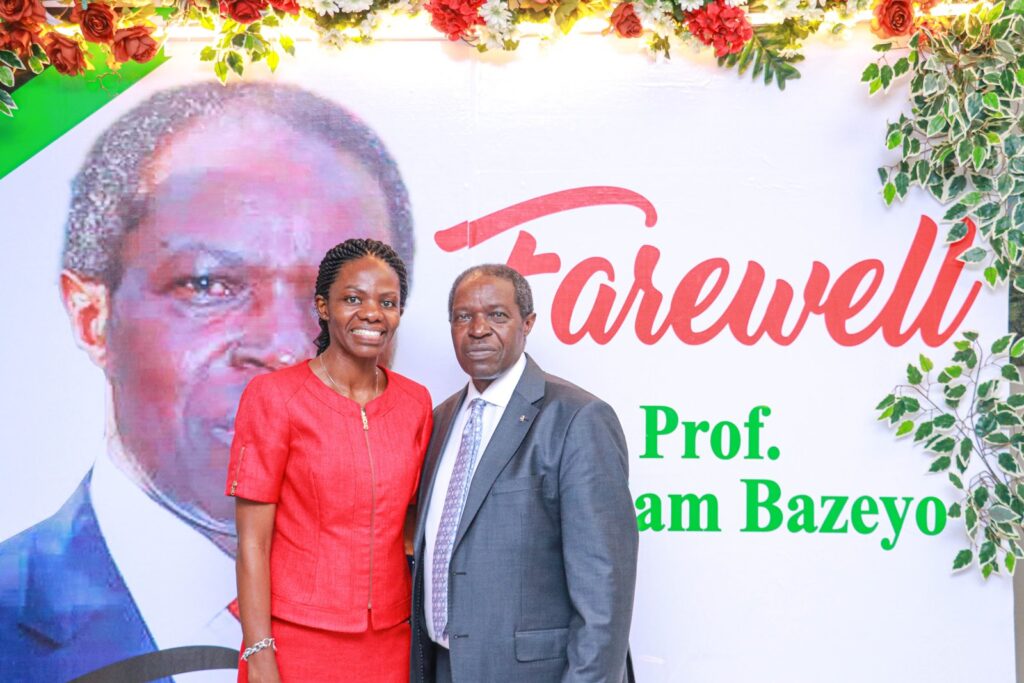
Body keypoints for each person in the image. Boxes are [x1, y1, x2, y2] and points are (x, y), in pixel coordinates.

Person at [0, 82, 416, 682]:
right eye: (208, 285)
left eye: (338, 298)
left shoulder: (426, 621)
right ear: (93, 316)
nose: (282, 347)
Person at [410, 264, 639, 683]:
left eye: (497, 315)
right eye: (463, 316)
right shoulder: (440, 420)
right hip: (444, 668)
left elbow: (605, 593)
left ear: (527, 323)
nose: (478, 329)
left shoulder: (577, 419)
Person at [230, 238, 431, 683]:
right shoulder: (275, 398)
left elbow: (413, 524)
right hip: (295, 640)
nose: (372, 313)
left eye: (388, 301)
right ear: (323, 306)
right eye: (353, 299)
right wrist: (259, 653)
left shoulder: (415, 403)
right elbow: (252, 543)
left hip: (390, 643)